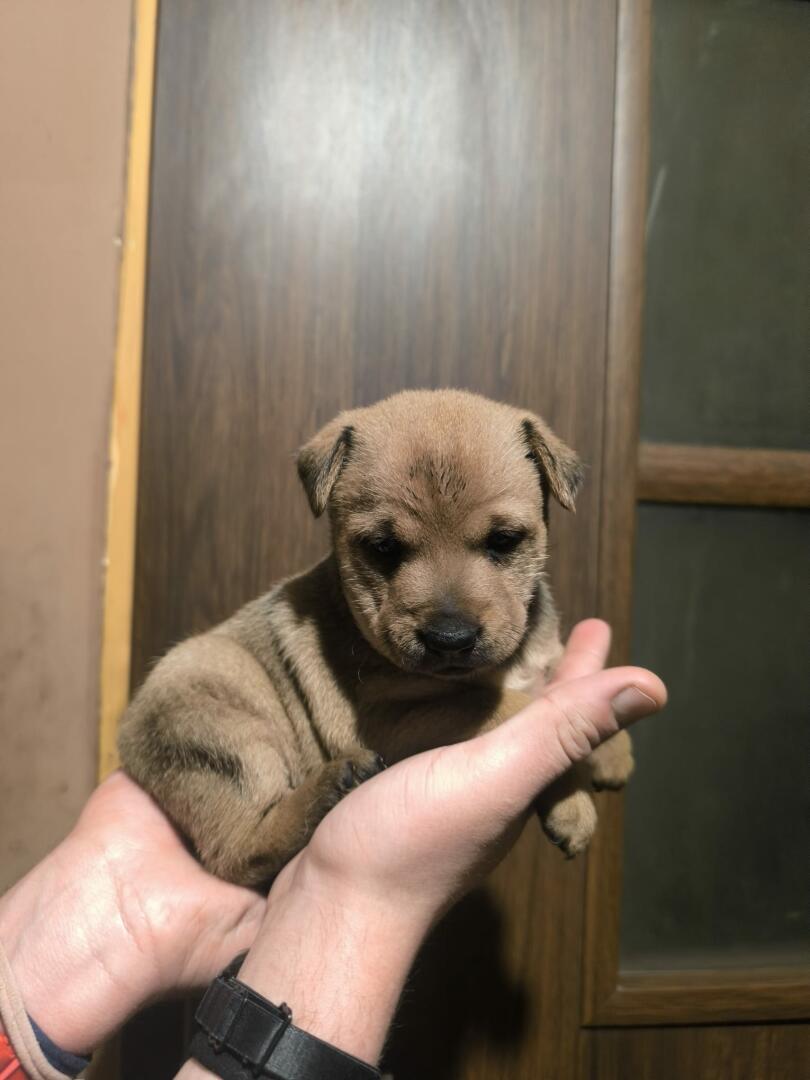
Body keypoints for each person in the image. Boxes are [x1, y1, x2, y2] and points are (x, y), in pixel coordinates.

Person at [0, 620, 665, 1079]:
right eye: (388, 549)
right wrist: (359, 901)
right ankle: (255, 837)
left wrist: (98, 928)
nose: (450, 622)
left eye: (501, 542)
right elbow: (409, 715)